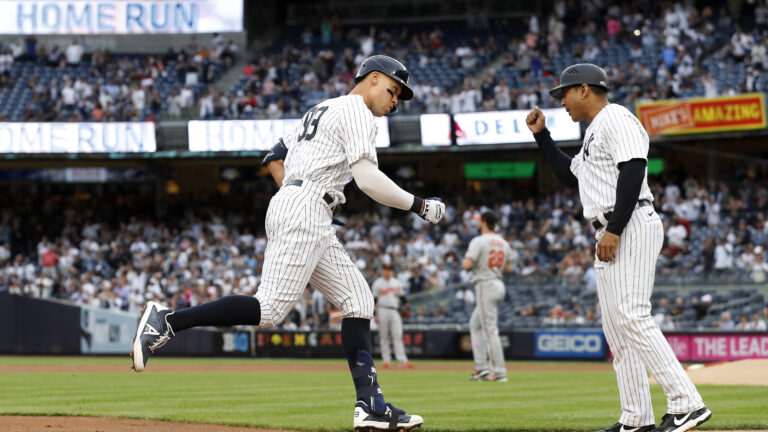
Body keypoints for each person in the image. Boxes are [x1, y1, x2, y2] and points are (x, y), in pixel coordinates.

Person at [131, 55, 444, 432]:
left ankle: (370, 405)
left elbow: (274, 156)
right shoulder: (358, 110)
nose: (395, 102)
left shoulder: (322, 109)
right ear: (373, 78)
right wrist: (420, 205)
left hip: (304, 204)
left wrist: (298, 195)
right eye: (393, 91)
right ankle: (168, 320)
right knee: (270, 309)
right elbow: (368, 180)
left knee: (358, 300)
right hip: (307, 207)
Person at [526, 63, 711, 432]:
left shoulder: (616, 118)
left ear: (584, 89)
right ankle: (636, 418)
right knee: (617, 330)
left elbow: (633, 169)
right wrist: (542, 137)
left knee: (632, 315)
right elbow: (568, 175)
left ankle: (687, 403)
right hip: (610, 229)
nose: (560, 100)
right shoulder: (594, 131)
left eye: (563, 92)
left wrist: (614, 228)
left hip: (628, 223)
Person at [462, 212, 512, 382]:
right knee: (475, 325)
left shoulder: (478, 240)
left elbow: (467, 264)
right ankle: (481, 368)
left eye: (479, 221)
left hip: (486, 284)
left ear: (483, 222)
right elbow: (508, 269)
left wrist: (471, 260)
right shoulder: (503, 242)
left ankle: (499, 371)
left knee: (490, 329)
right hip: (498, 283)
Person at [372, 263, 413, 368]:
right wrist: (375, 314)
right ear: (382, 271)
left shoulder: (397, 283)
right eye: (386, 269)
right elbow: (374, 301)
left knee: (398, 335)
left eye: (390, 270)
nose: (388, 271)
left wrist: (408, 308)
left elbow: (403, 298)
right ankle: (386, 360)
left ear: (392, 271)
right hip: (382, 310)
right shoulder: (377, 283)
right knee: (383, 336)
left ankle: (402, 360)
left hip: (395, 310)